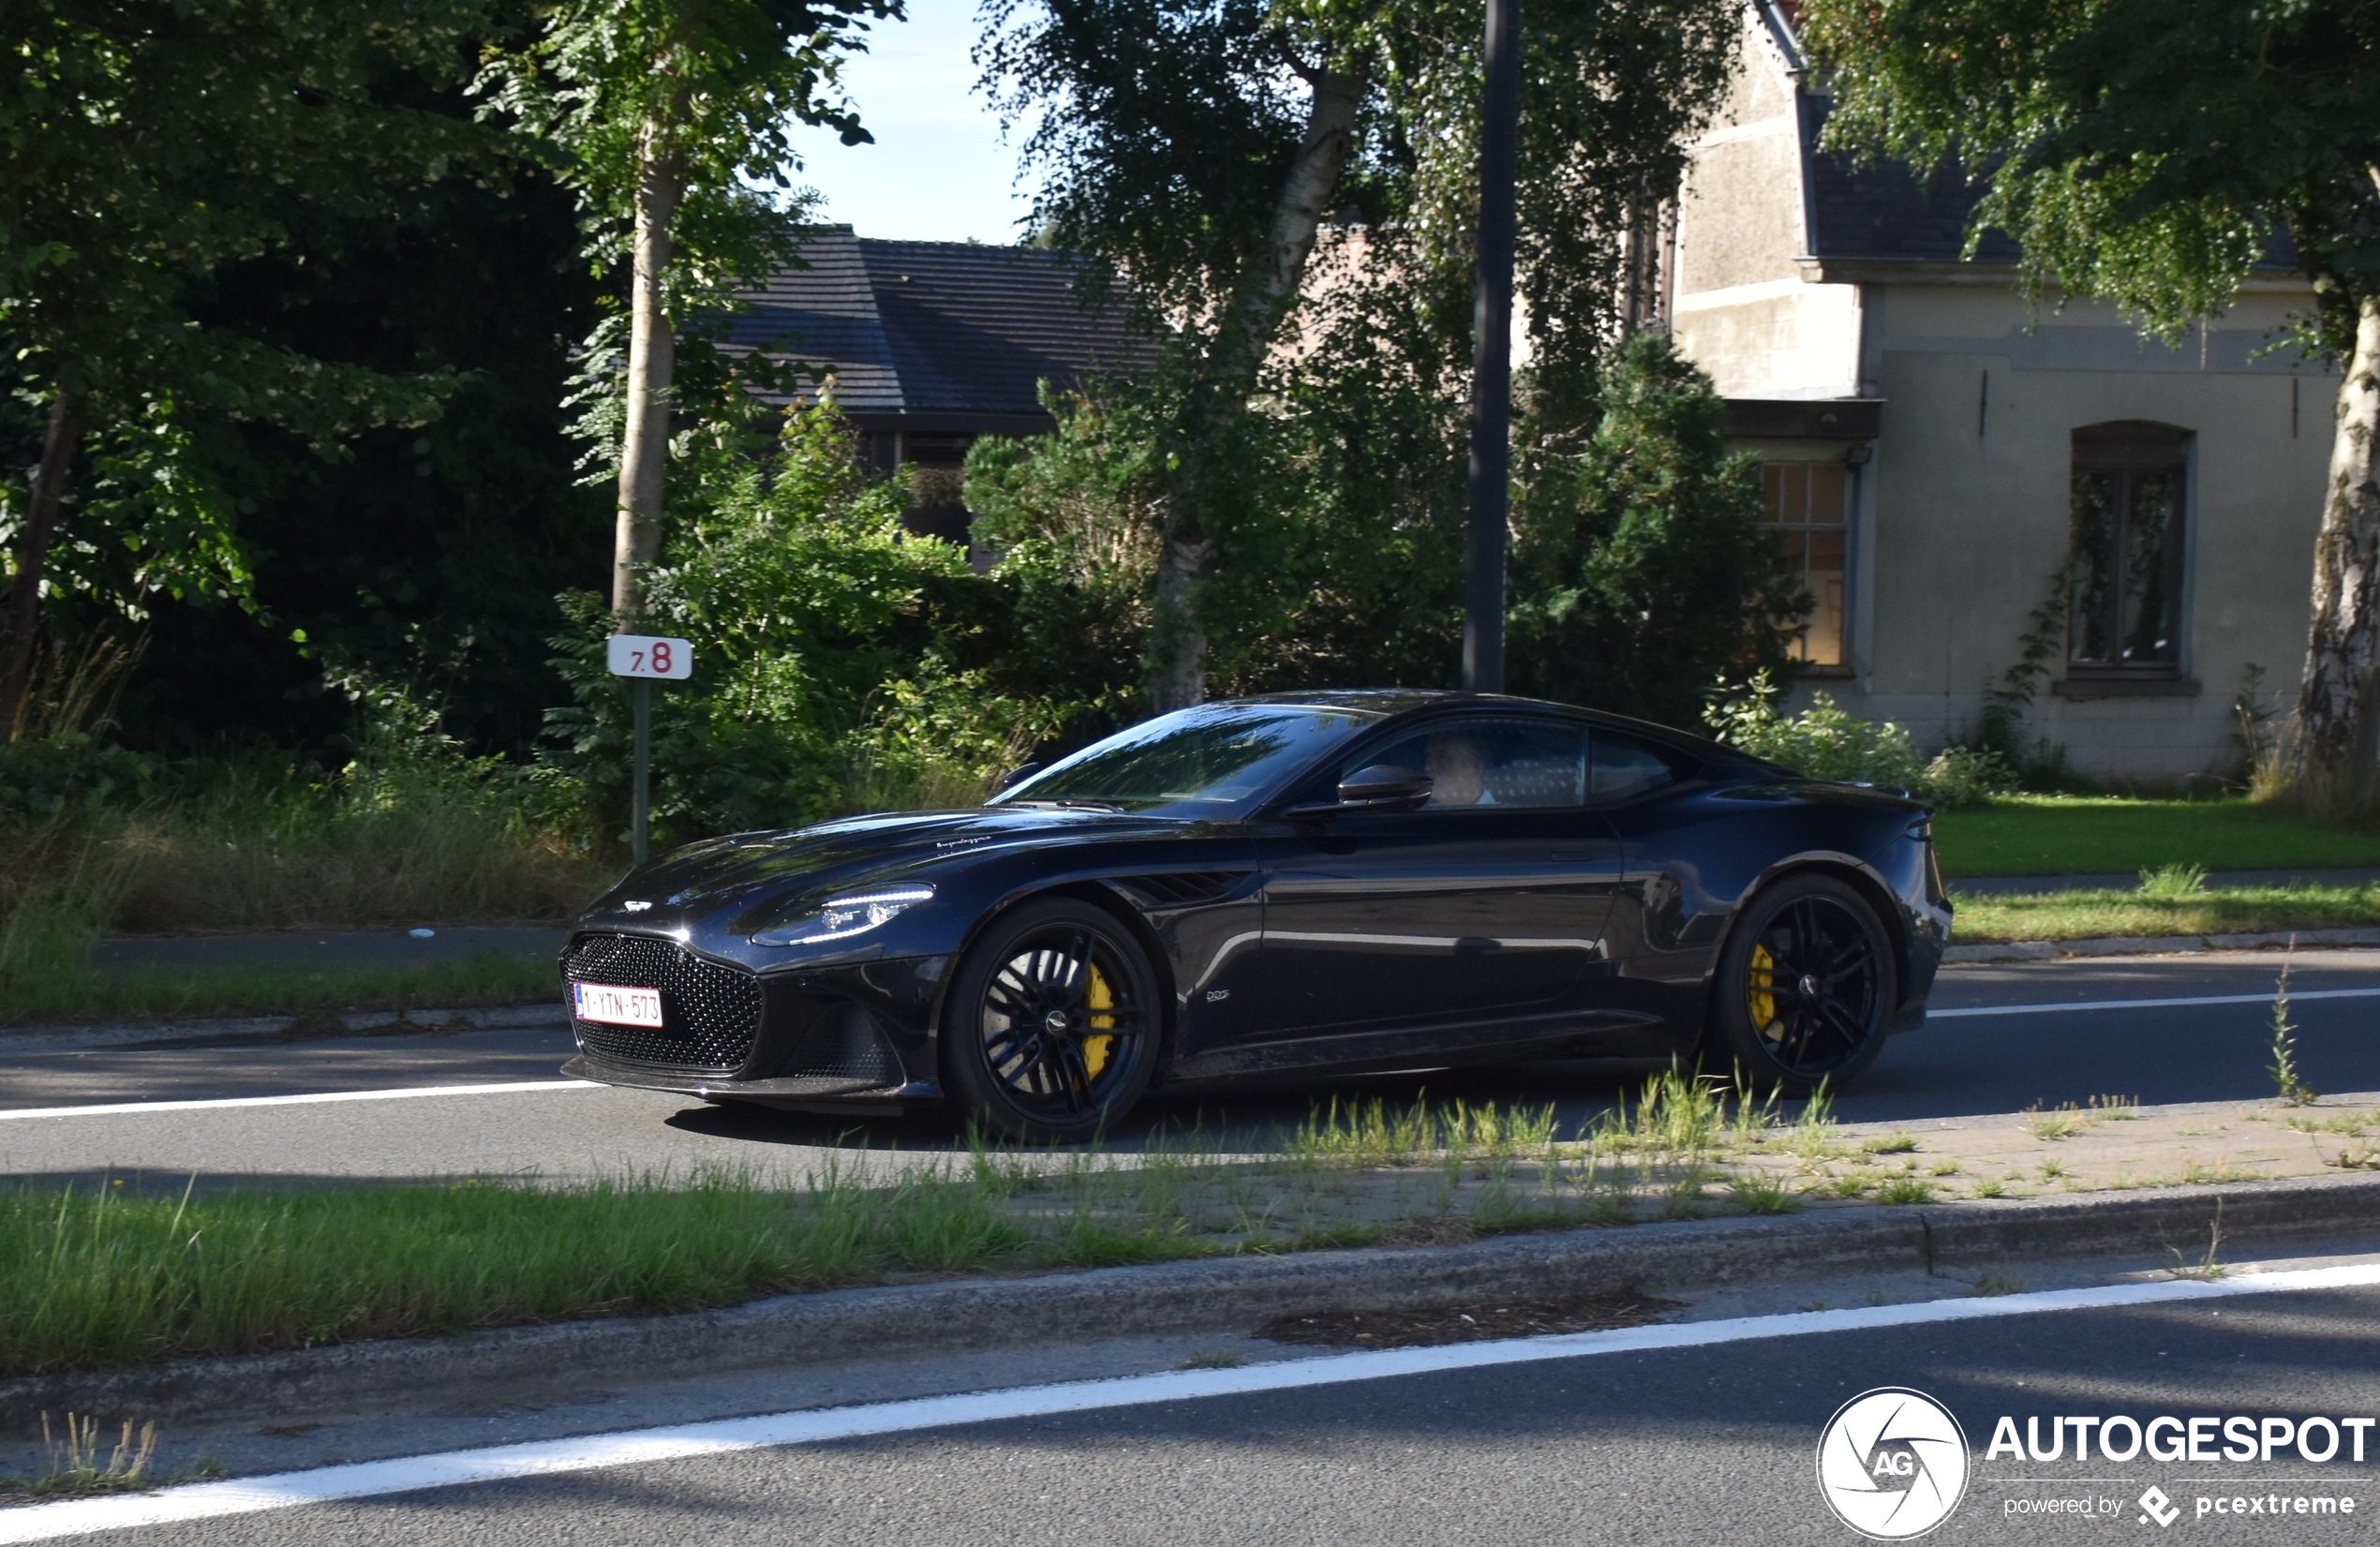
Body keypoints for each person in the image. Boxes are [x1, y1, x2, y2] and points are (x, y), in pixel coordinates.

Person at [1424, 736, 1494, 806]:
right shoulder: (1421, 814)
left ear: (1476, 767)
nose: (1428, 767)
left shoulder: (1501, 813)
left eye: (1443, 758)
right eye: (1429, 758)